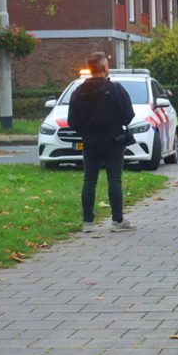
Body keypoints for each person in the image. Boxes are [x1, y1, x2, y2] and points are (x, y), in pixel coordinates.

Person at [67, 52, 136, 233]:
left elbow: (72, 121)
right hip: (113, 140)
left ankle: (88, 221)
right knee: (114, 179)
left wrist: (85, 130)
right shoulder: (115, 89)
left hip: (90, 141)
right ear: (105, 68)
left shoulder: (78, 92)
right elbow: (129, 114)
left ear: (90, 69)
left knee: (89, 180)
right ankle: (117, 220)